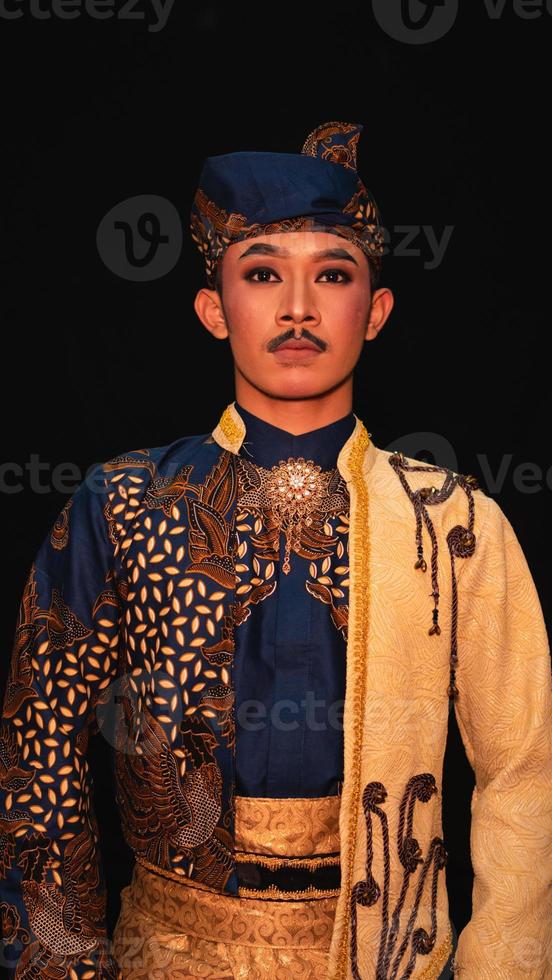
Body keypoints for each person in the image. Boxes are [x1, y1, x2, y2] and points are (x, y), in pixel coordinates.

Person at [1, 120, 551, 979]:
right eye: (263, 275)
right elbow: (41, 747)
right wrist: (65, 960)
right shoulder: (125, 503)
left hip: (389, 957)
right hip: (168, 953)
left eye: (332, 274)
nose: (298, 307)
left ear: (376, 310)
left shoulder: (453, 521)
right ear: (214, 309)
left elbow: (524, 772)